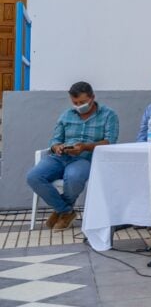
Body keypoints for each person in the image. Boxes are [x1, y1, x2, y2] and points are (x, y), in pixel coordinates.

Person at [26, 81, 119, 231]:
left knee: (74, 176)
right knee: (33, 176)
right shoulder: (67, 115)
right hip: (60, 157)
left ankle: (61, 210)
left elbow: (110, 142)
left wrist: (85, 147)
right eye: (75, 102)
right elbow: (55, 140)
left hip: (85, 158)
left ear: (92, 97)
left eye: (82, 102)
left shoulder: (109, 115)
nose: (78, 105)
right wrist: (58, 147)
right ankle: (66, 211)